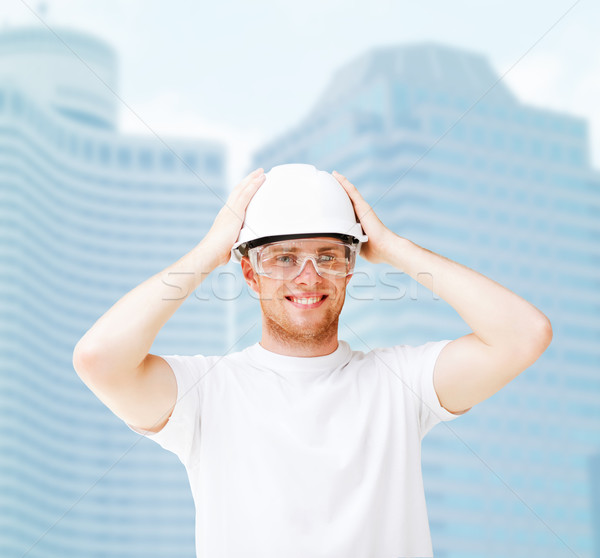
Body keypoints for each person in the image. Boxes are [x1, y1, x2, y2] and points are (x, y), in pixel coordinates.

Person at [73, 163, 552, 558]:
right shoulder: (208, 391)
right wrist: (207, 252)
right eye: (283, 258)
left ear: (351, 268)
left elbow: (524, 335)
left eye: (328, 256)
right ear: (249, 273)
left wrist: (395, 248)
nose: (308, 276)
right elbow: (99, 359)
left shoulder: (400, 383)